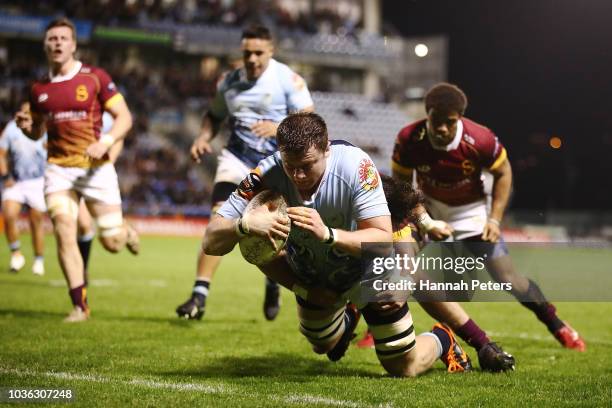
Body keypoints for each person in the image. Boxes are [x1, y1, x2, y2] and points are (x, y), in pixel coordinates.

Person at [204, 112, 472, 376]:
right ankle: (347, 308)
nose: (297, 176)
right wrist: (244, 225)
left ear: (326, 149)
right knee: (323, 344)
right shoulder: (265, 175)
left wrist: (328, 234)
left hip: (370, 269)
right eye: (290, 165)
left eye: (307, 165)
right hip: (316, 276)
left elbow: (380, 240)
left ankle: (441, 339)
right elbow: (211, 240)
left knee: (404, 367)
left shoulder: (356, 166)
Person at [391, 82, 585, 351]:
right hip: (427, 208)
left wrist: (494, 219)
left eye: (450, 122)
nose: (443, 129)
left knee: (509, 280)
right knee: (398, 258)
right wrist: (425, 221)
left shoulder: (481, 139)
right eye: (437, 121)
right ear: (427, 114)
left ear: (460, 117)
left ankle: (557, 324)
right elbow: (402, 187)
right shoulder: (409, 138)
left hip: (469, 212)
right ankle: (384, 324)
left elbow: (504, 173)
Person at [176, 24, 314, 321]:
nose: (252, 59)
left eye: (258, 53)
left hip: (276, 165)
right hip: (236, 160)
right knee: (220, 218)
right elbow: (213, 116)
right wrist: (202, 138)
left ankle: (273, 280)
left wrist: (279, 128)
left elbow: (311, 121)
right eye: (247, 52)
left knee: (277, 229)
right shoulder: (228, 82)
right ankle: (198, 296)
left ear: (271, 51)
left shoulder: (288, 79)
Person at [15, 17, 139, 322]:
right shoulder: (38, 89)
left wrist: (107, 140)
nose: (57, 43)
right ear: (45, 45)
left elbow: (125, 117)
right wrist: (28, 128)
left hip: (96, 168)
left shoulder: (95, 77)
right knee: (64, 232)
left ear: (73, 45)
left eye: (63, 38)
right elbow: (37, 132)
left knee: (111, 242)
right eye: (52, 38)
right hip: (58, 169)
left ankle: (126, 232)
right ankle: (79, 306)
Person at [355, 175, 515, 372]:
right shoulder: (341, 195)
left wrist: (426, 223)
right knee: (326, 337)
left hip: (393, 232)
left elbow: (405, 196)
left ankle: (457, 340)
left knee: (403, 366)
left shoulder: (384, 203)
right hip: (342, 250)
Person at [0, 101, 47, 275]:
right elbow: (1, 154)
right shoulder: (11, 128)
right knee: (9, 213)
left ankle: (38, 259)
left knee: (36, 221)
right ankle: (16, 254)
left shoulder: (42, 127)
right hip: (16, 180)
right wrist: (5, 176)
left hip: (37, 181)